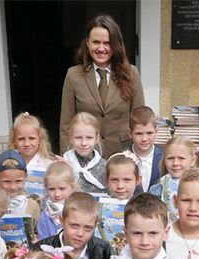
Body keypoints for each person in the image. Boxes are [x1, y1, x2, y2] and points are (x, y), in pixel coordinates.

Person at [60, 14, 145, 156]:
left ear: (116, 44)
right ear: (87, 42)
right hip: (85, 156)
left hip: (123, 156)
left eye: (107, 43)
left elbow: (139, 120)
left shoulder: (131, 74)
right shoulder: (73, 76)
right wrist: (68, 161)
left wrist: (140, 157)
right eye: (96, 42)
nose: (101, 48)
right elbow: (66, 126)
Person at [148, 137, 199, 222]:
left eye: (181, 158)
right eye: (170, 158)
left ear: (193, 160)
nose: (175, 163)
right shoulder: (157, 189)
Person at [0, 149, 42, 237]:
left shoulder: (32, 205)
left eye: (18, 181)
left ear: (26, 177)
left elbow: (37, 231)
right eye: (7, 182)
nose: (13, 187)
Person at [63, 112, 108, 194]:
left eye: (89, 138)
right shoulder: (63, 165)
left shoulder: (105, 167)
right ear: (70, 138)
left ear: (97, 138)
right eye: (78, 137)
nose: (84, 143)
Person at [127, 106, 163, 193]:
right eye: (139, 134)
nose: (144, 139)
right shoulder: (122, 158)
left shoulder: (164, 158)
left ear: (156, 132)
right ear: (130, 133)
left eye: (149, 133)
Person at [38, 161, 77, 240]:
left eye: (62, 189)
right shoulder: (45, 216)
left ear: (72, 187)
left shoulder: (81, 211)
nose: (57, 194)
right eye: (52, 189)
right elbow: (43, 242)